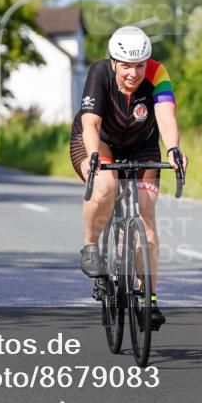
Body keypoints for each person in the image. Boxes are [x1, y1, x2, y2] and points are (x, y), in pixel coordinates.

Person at [69, 25, 188, 330]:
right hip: (99, 140)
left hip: (142, 145)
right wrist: (95, 159)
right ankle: (91, 244)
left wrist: (174, 149)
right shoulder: (100, 74)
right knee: (106, 186)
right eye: (126, 66)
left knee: (146, 216)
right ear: (113, 62)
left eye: (139, 66)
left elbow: (165, 115)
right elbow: (91, 124)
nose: (133, 74)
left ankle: (149, 299)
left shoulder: (158, 73)